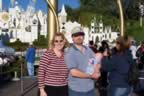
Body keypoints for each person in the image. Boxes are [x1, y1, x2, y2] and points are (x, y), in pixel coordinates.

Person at [65, 26, 101, 96]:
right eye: (76, 35)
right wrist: (91, 75)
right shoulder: (70, 52)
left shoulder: (88, 50)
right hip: (76, 91)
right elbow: (74, 72)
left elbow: (95, 61)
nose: (79, 37)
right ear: (72, 38)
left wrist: (97, 69)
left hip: (90, 89)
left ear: (84, 36)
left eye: (81, 35)